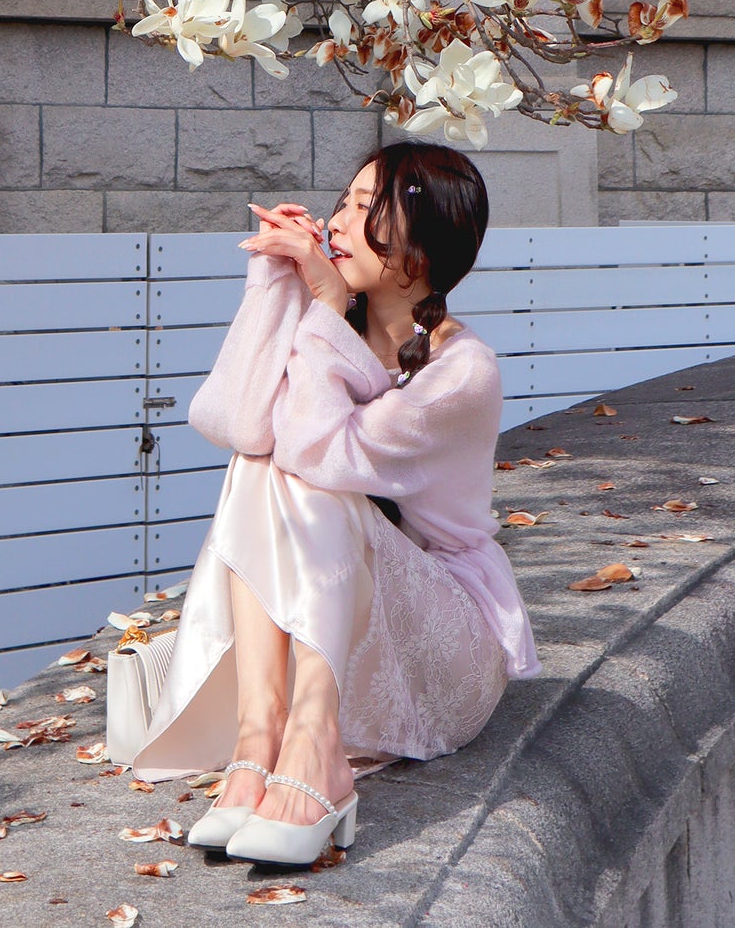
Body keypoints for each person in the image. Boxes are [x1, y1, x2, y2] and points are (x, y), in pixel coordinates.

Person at [132, 143, 540, 867]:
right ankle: (260, 742)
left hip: (448, 651)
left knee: (303, 467)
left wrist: (322, 304)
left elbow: (321, 454)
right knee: (260, 456)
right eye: (343, 203)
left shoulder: (462, 370)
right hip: (351, 634)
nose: (339, 223)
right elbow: (234, 422)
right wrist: (275, 287)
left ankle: (313, 747)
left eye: (364, 209)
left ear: (422, 247)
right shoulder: (336, 330)